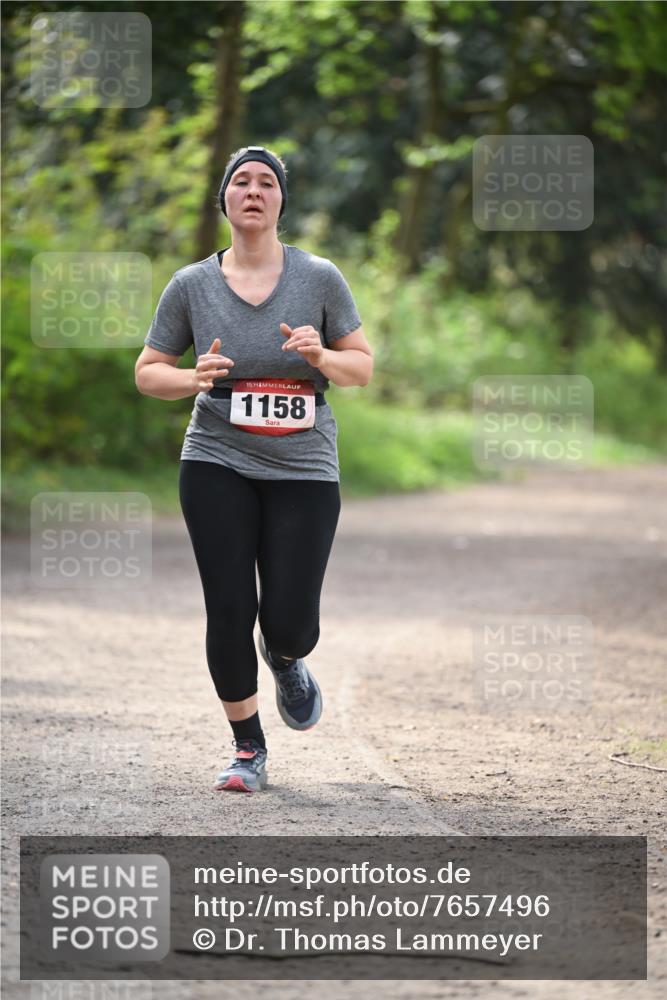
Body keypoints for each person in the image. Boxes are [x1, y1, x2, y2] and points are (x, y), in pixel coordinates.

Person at [135, 145, 373, 792]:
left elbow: (360, 367)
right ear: (224, 199)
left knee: (291, 621)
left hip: (304, 464)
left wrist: (321, 357)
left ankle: (286, 656)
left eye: (267, 182)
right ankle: (247, 748)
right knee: (228, 606)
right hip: (216, 458)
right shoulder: (190, 285)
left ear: (280, 202)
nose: (253, 191)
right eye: (240, 181)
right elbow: (148, 372)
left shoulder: (318, 277)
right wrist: (192, 378)